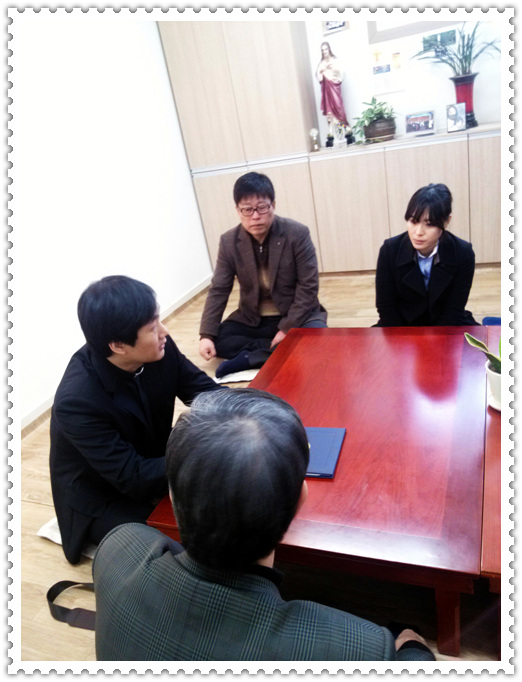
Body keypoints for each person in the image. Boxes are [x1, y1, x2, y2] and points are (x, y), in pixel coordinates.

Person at [93, 388, 436, 661]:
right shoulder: (359, 649)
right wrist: (412, 646)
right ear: (301, 497)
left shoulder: (118, 550)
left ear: (171, 491)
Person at [49, 275, 222, 565]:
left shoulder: (158, 348)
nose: (164, 331)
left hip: (147, 454)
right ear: (119, 345)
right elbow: (133, 477)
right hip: (103, 494)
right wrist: (206, 452)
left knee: (227, 500)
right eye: (153, 327)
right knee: (190, 547)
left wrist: (260, 415)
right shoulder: (77, 400)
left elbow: (206, 394)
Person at [199, 172, 327, 378]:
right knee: (219, 340)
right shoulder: (229, 241)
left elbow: (308, 287)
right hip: (253, 319)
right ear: (237, 210)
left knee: (318, 340)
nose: (255, 216)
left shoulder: (297, 234)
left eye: (262, 207)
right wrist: (206, 335)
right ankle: (274, 350)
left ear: (273, 205)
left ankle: (252, 358)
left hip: (296, 315)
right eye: (247, 209)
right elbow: (219, 289)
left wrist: (286, 328)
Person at [375, 183, 478, 327]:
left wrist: (435, 338)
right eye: (413, 221)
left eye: (429, 224)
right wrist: (404, 337)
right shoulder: (389, 250)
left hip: (446, 324)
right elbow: (386, 307)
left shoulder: (463, 253)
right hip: (402, 324)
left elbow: (454, 309)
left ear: (446, 221)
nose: (418, 232)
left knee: (480, 340)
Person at [316, 41, 348, 138]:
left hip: (334, 87)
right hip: (327, 90)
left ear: (329, 49)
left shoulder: (335, 60)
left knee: (338, 107)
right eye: (322, 50)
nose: (324, 52)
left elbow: (341, 72)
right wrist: (322, 70)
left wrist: (333, 69)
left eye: (326, 49)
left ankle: (343, 129)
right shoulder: (321, 63)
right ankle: (332, 132)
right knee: (329, 112)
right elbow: (319, 77)